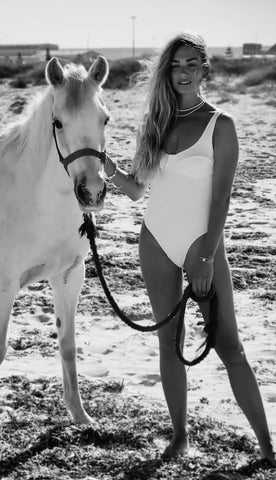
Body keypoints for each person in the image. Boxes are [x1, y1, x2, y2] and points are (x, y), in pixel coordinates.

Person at [104, 31, 276, 465]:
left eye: (191, 64)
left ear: (205, 70)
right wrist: (108, 170)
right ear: (168, 70)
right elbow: (138, 192)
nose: (183, 72)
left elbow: (222, 200)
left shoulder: (222, 124)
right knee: (169, 343)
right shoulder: (155, 123)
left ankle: (267, 446)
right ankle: (180, 436)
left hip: (203, 245)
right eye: (176, 65)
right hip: (155, 241)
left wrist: (204, 255)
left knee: (229, 347)